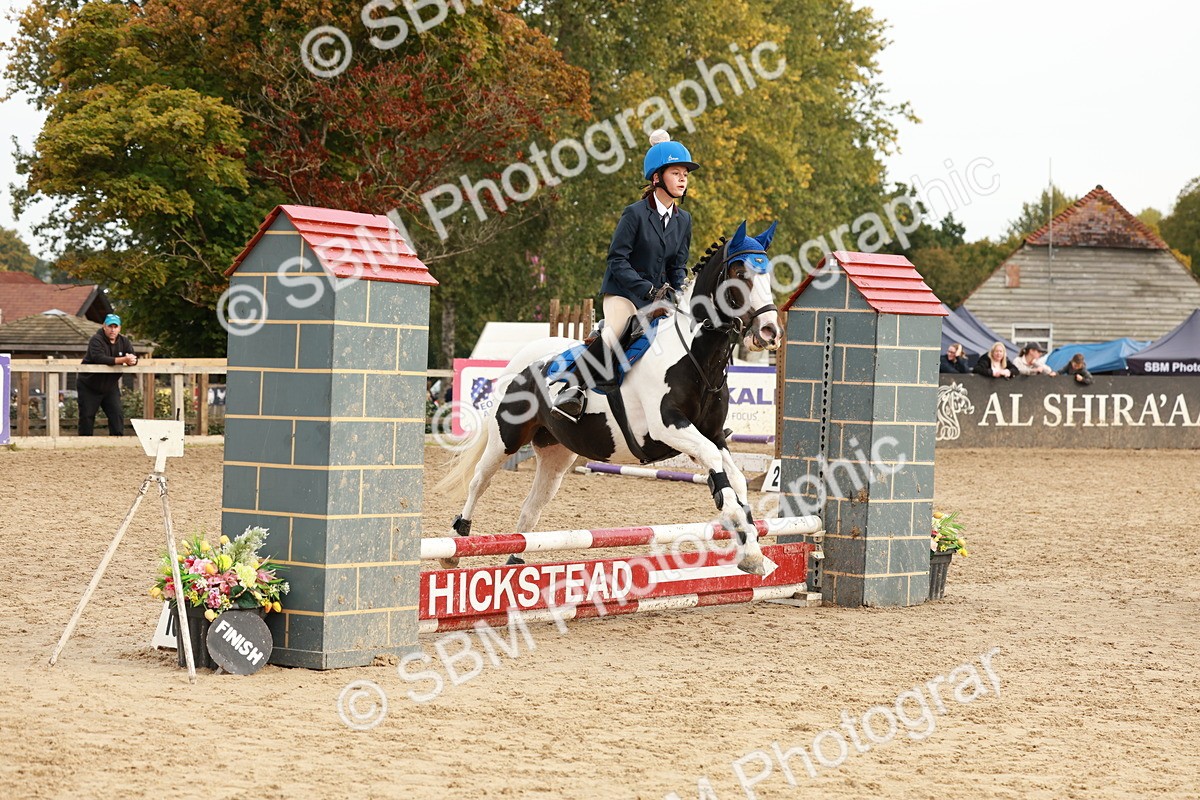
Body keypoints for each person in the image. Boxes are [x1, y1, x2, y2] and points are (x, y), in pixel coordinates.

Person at [554, 129, 697, 419]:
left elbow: (677, 265)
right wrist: (647, 289)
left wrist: (677, 290)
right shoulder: (634, 214)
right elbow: (617, 260)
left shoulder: (684, 220)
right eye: (676, 172)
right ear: (657, 178)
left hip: (657, 300)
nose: (683, 178)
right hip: (624, 293)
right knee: (615, 332)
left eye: (686, 173)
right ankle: (573, 389)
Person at [78, 313, 138, 436]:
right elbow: (99, 358)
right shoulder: (96, 339)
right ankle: (84, 444)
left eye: (115, 327)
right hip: (89, 385)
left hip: (110, 386)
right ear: (104, 326)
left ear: (119, 328)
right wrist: (124, 360)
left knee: (117, 414)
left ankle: (118, 443)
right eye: (110, 326)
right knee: (87, 417)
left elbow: (132, 356)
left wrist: (133, 360)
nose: (112, 330)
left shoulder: (124, 341)